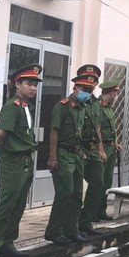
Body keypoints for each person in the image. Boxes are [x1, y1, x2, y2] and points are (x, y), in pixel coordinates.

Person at [0, 64, 43, 257]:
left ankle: (7, 243)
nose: (33, 88)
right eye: (29, 84)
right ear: (17, 84)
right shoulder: (12, 106)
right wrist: (4, 144)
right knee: (6, 205)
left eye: (35, 85)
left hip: (25, 159)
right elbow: (0, 133)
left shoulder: (25, 106)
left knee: (18, 205)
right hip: (13, 160)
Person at [45, 65, 106, 246]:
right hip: (63, 152)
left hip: (78, 153)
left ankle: (72, 230)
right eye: (84, 89)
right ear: (75, 88)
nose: (86, 93)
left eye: (90, 90)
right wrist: (52, 157)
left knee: (77, 194)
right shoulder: (63, 106)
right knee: (65, 193)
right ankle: (54, 231)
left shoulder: (82, 107)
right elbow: (54, 131)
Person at [77, 65, 107, 237]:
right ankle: (71, 225)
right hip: (77, 150)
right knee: (74, 191)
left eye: (93, 82)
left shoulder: (96, 104)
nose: (90, 85)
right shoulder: (73, 102)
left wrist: (101, 149)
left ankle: (85, 220)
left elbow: (97, 128)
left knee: (98, 184)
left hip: (92, 149)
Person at [92, 77, 121, 222]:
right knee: (99, 182)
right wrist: (101, 150)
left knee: (107, 181)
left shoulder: (109, 108)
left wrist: (116, 142)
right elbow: (97, 129)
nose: (116, 95)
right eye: (115, 92)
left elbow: (112, 128)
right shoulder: (97, 106)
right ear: (110, 92)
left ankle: (101, 210)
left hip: (111, 147)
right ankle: (92, 211)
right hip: (102, 148)